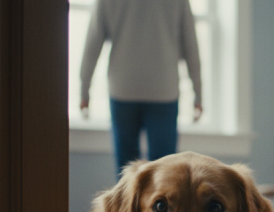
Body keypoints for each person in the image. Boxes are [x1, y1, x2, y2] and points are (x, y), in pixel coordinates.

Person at [80, 0, 203, 176]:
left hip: (123, 88)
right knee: (165, 172)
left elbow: (92, 43)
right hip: (163, 90)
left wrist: (84, 91)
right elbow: (191, 46)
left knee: (126, 172)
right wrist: (198, 95)